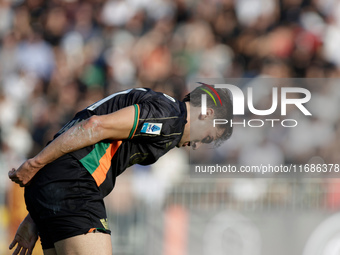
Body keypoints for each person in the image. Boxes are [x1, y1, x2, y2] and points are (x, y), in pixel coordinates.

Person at [8, 84, 233, 255]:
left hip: (60, 186)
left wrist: (35, 217)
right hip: (72, 183)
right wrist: (35, 163)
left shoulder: (163, 110)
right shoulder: (170, 118)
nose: (197, 145)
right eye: (208, 137)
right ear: (207, 113)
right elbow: (93, 126)